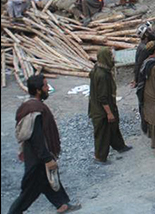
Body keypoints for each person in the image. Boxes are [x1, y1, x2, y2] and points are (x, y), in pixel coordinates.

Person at [9, 75, 81, 214]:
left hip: (37, 155)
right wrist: (47, 159)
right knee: (29, 191)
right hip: (37, 158)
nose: (48, 88)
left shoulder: (31, 105)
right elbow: (37, 138)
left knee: (49, 180)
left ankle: (62, 204)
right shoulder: (34, 110)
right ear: (38, 90)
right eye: (45, 86)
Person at [88, 47, 131, 164]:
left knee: (113, 126)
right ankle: (100, 157)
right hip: (101, 110)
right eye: (110, 56)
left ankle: (119, 146)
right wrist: (109, 113)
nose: (112, 58)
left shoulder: (100, 68)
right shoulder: (102, 75)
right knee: (102, 133)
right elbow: (102, 98)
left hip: (107, 106)